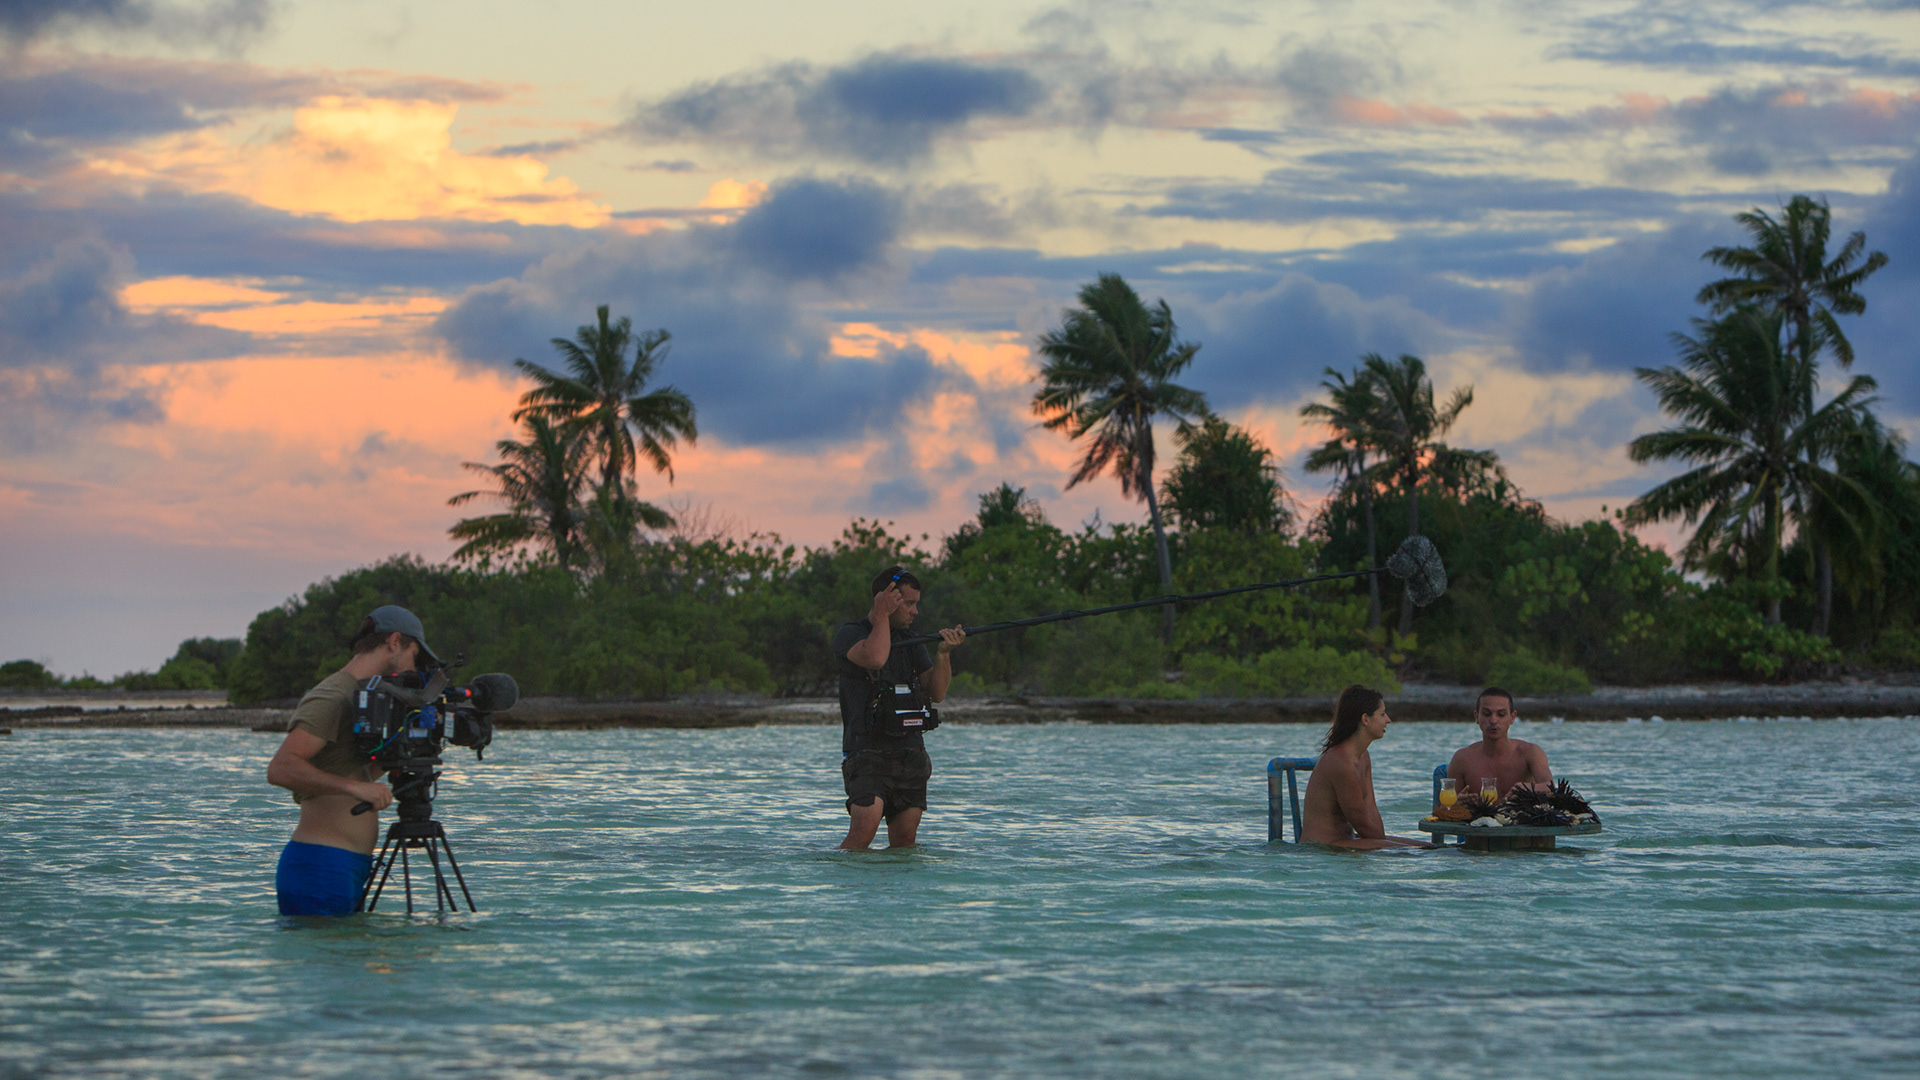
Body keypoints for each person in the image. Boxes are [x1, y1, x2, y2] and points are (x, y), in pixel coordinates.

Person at [265, 605, 441, 915]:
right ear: (394, 642)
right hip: (321, 865)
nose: (415, 669)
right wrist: (355, 788)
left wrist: (407, 745)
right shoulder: (334, 694)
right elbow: (281, 768)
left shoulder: (369, 698)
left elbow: (352, 771)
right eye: (415, 655)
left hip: (346, 865)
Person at [832, 566, 966, 850]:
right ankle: (839, 876)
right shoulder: (850, 634)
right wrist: (881, 614)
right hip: (867, 753)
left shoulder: (910, 640)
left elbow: (937, 693)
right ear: (886, 598)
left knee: (905, 843)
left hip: (910, 754)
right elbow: (876, 658)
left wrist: (944, 654)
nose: (915, 611)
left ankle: (897, 882)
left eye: (916, 603)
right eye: (908, 603)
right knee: (861, 836)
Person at [1300, 684, 1430, 849]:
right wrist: (1385, 845)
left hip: (1346, 842)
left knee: (1427, 847)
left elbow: (1370, 809)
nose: (1388, 720)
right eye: (1382, 714)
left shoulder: (1363, 756)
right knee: (1412, 851)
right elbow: (1362, 824)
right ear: (1365, 719)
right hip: (1322, 848)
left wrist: (1383, 842)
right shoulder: (1340, 762)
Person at [1447, 685, 1553, 800]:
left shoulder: (1530, 753)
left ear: (1512, 717)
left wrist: (1526, 789)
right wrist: (1456, 805)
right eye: (1486, 714)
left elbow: (1551, 788)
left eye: (1501, 714)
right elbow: (1445, 806)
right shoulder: (1462, 759)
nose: (1493, 720)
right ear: (1477, 717)